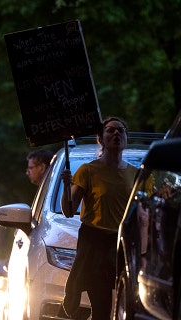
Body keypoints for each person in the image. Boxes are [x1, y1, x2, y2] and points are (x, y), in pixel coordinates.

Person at [60, 117, 136, 319]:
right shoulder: (88, 170)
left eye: (121, 130)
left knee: (126, 306)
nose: (116, 134)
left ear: (126, 138)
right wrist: (67, 186)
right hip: (96, 246)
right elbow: (69, 210)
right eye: (110, 130)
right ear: (100, 139)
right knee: (102, 307)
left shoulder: (136, 175)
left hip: (122, 246)